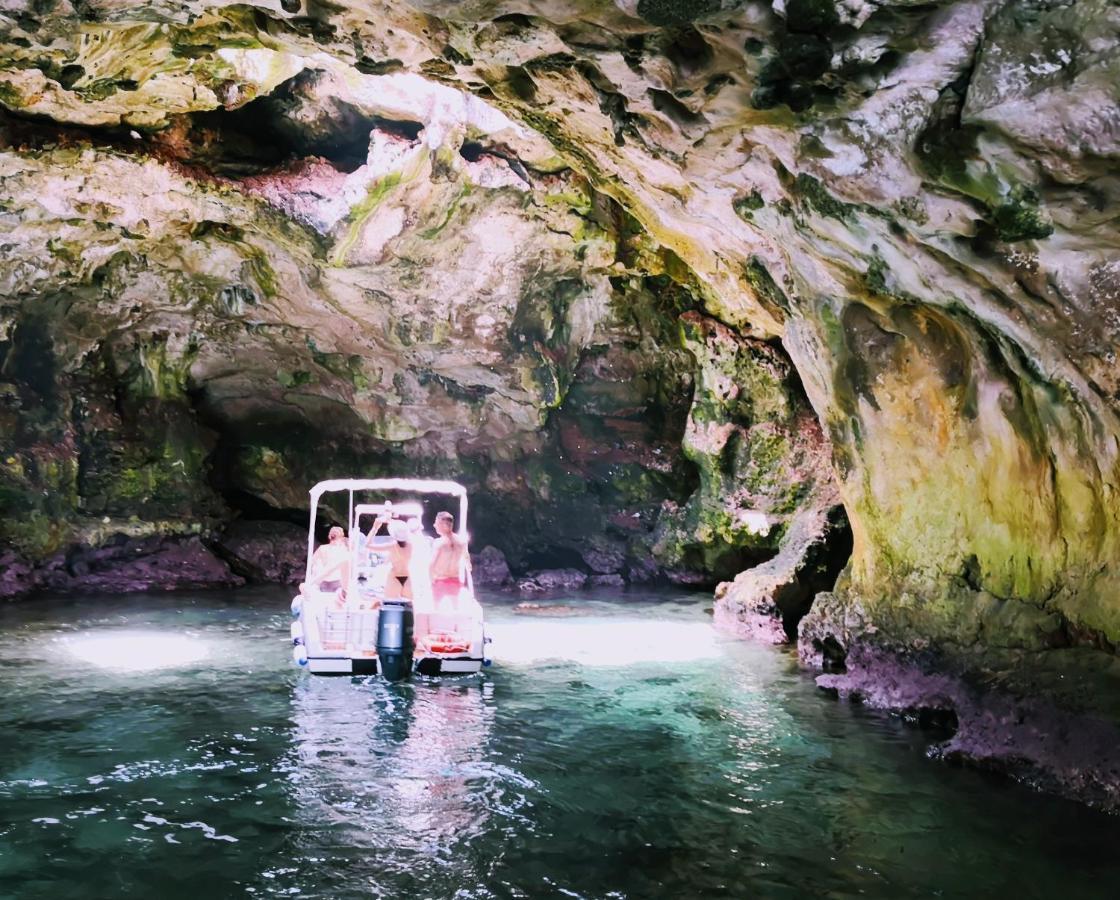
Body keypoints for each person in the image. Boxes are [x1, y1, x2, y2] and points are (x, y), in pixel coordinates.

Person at [430, 510, 471, 608]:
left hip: (440, 580)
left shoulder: (439, 543)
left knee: (436, 609)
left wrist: (430, 580)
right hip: (455, 581)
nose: (434, 525)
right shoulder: (462, 541)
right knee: (455, 609)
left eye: (436, 522)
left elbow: (431, 565)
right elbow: (468, 563)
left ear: (443, 524)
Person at [309, 525, 350, 603]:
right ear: (341, 537)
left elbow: (312, 562)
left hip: (323, 581)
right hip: (337, 582)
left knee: (324, 603)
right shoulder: (343, 550)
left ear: (329, 536)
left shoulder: (322, 548)